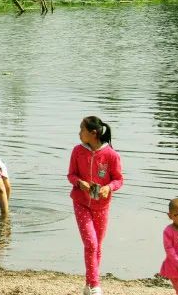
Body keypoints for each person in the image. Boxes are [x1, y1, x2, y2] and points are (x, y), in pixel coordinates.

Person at [68, 115, 124, 295]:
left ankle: (88, 284)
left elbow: (119, 179)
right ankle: (95, 285)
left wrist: (109, 187)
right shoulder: (77, 151)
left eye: (81, 130)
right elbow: (71, 175)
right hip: (81, 203)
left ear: (93, 133)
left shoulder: (111, 155)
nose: (79, 133)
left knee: (97, 245)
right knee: (91, 243)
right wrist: (79, 183)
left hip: (102, 206)